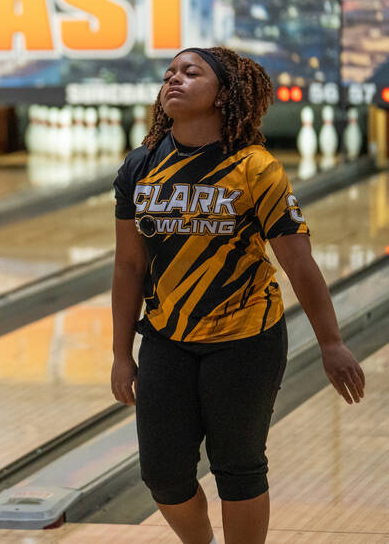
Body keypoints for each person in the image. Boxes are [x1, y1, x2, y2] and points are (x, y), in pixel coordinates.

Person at [110, 47, 366, 544]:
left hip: (246, 338)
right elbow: (128, 264)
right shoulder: (140, 166)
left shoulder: (255, 168)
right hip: (167, 337)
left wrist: (331, 343)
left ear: (224, 93)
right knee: (162, 474)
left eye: (191, 72)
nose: (174, 81)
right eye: (169, 74)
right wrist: (121, 355)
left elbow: (298, 261)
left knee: (239, 468)